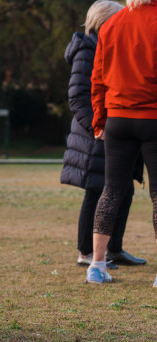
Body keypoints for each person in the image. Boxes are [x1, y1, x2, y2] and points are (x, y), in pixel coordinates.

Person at [60, 0, 146, 270]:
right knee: (96, 191)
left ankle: (114, 248)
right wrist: (98, 128)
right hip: (96, 134)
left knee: (125, 189)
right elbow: (77, 96)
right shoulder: (87, 49)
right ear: (105, 21)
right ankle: (86, 252)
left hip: (115, 128)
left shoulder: (108, 45)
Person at [87, 0, 157, 284]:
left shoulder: (113, 23)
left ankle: (97, 265)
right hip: (153, 117)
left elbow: (98, 78)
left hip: (117, 118)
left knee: (111, 191)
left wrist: (99, 120)